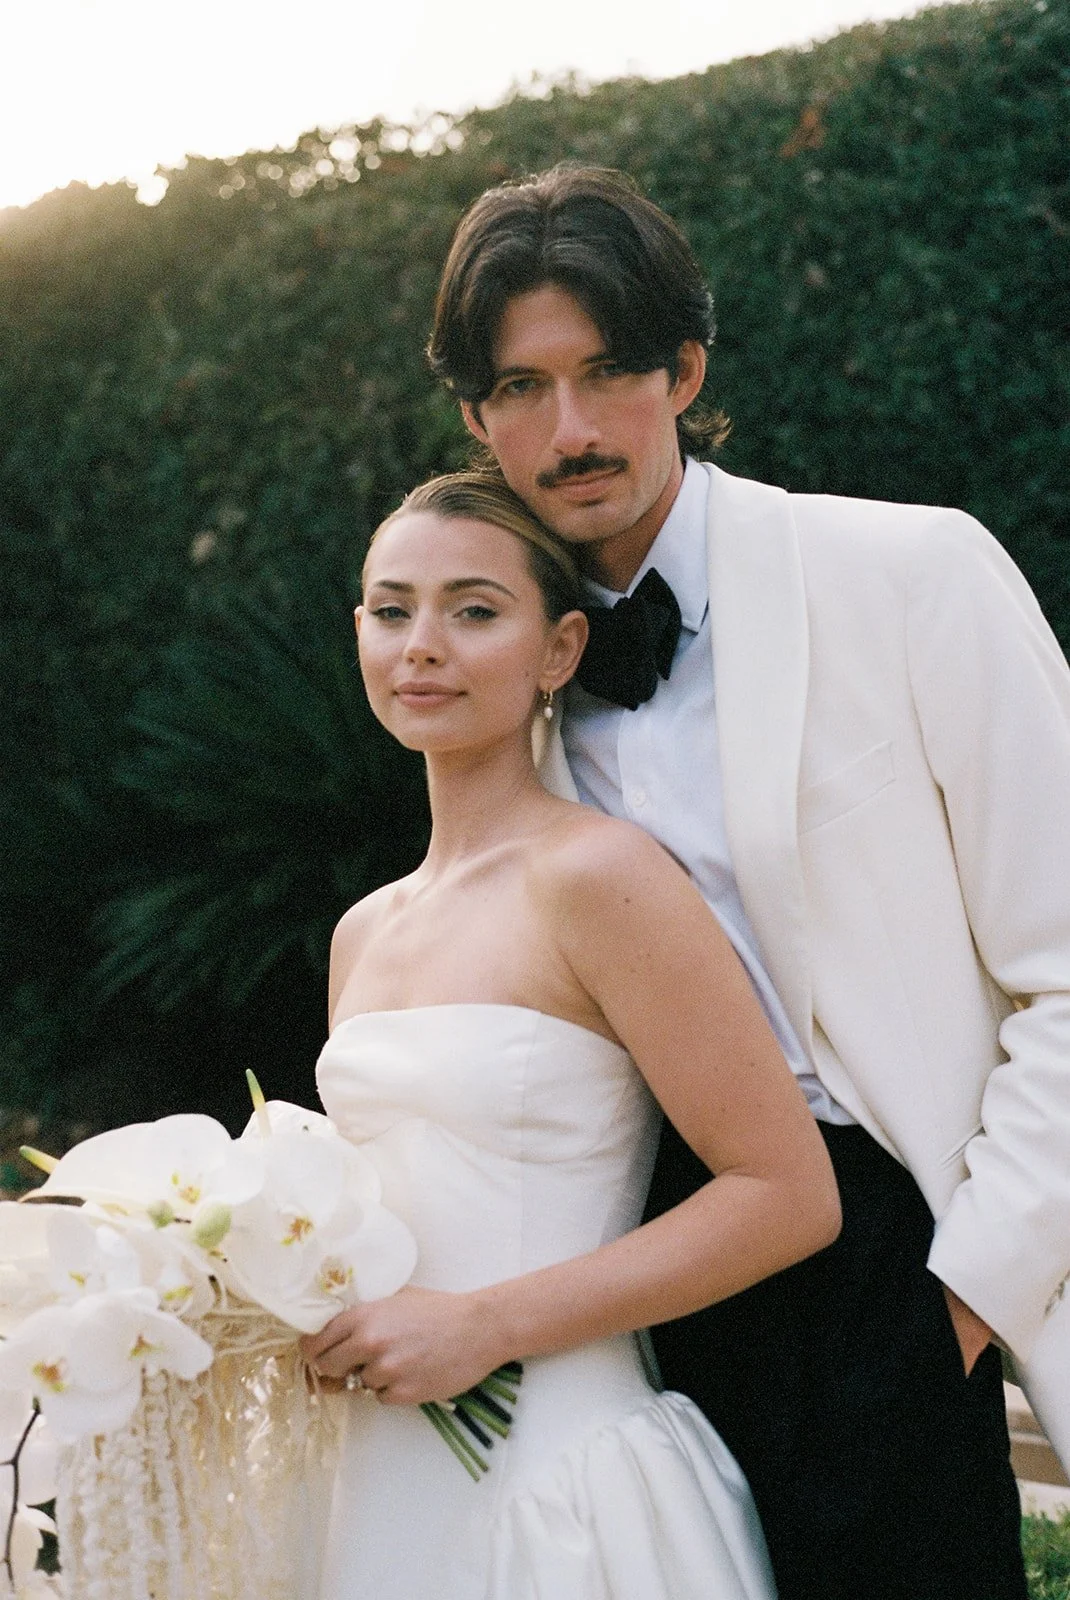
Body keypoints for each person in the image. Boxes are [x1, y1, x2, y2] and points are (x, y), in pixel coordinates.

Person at [425, 163, 1070, 1600]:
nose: (571, 429)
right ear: (474, 416)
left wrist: (963, 1294)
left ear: (688, 367)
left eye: (607, 372)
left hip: (887, 1262)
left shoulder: (908, 574)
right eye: (520, 388)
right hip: (637, 1284)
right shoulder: (498, 663)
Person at [300, 471, 841, 1599]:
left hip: (557, 1481)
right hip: (371, 1484)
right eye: (391, 610)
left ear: (558, 650)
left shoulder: (597, 876)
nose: (423, 645)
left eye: (475, 610)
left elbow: (785, 1193)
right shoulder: (363, 931)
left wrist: (487, 1323)